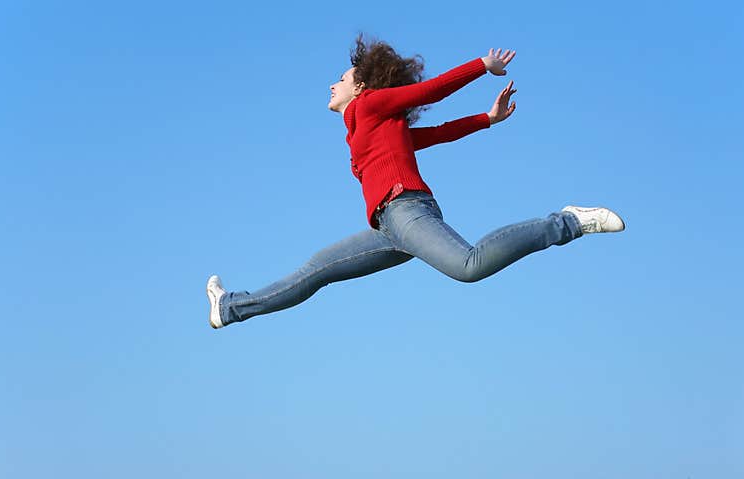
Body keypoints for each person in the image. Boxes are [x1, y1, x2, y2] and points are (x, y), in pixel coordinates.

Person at [206, 38, 624, 329]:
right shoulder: (367, 131)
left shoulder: (371, 105)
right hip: (387, 228)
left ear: (362, 87)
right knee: (315, 272)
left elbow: (430, 93)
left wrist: (482, 67)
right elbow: (437, 134)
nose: (334, 84)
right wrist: (487, 119)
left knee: (469, 266)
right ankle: (231, 308)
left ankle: (566, 221)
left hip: (407, 211)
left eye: (342, 78)